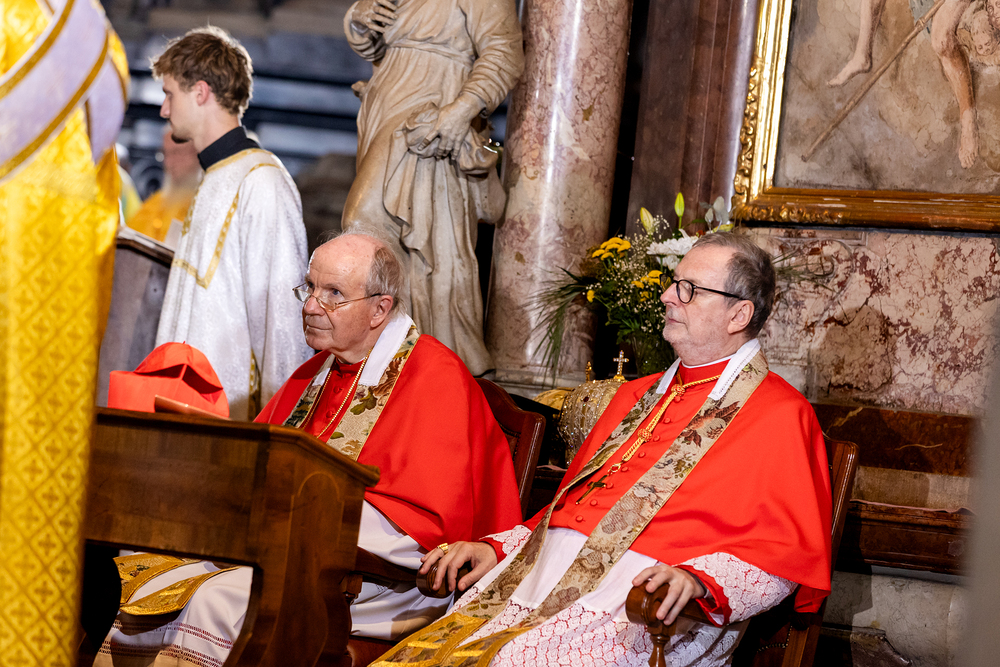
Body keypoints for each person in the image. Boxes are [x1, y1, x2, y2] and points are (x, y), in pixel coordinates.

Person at [377, 232, 833, 667]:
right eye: (674, 283)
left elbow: (782, 558)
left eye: (689, 289)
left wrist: (696, 581)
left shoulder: (778, 415)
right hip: (537, 579)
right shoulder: (634, 397)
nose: (667, 297)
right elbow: (569, 511)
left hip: (646, 606)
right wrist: (497, 549)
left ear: (739, 315)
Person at [95, 231, 523, 666]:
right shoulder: (314, 373)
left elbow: (424, 526)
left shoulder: (434, 376)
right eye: (310, 288)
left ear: (380, 309)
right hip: (287, 551)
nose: (311, 306)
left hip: (384, 582)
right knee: (130, 581)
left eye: (333, 294)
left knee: (218, 601)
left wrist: (289, 519)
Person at [340, 0, 524, 376]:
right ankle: (391, 362)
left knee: (368, 226)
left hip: (430, 110)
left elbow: (504, 50)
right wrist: (360, 21)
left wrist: (461, 110)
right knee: (390, 244)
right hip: (386, 100)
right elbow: (379, 42)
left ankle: (423, 362)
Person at [152, 26, 310, 420]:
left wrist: (279, 432)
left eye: (170, 95)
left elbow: (283, 322)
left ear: (200, 92)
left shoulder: (262, 181)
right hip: (183, 410)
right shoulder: (215, 178)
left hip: (231, 423)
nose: (164, 110)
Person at [127, 126, 202, 245]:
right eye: (166, 153)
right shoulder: (154, 203)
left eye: (177, 152)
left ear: (197, 152)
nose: (169, 162)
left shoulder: (206, 206)